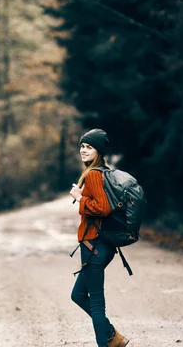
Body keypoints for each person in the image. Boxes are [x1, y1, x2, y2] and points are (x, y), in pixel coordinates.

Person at [69, 128, 130, 347]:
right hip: (97, 246)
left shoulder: (94, 174)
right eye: (82, 146)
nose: (84, 150)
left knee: (96, 304)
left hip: (94, 246)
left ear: (99, 151)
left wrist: (79, 198)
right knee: (77, 295)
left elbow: (102, 208)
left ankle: (107, 342)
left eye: (89, 147)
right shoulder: (100, 172)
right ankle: (112, 335)